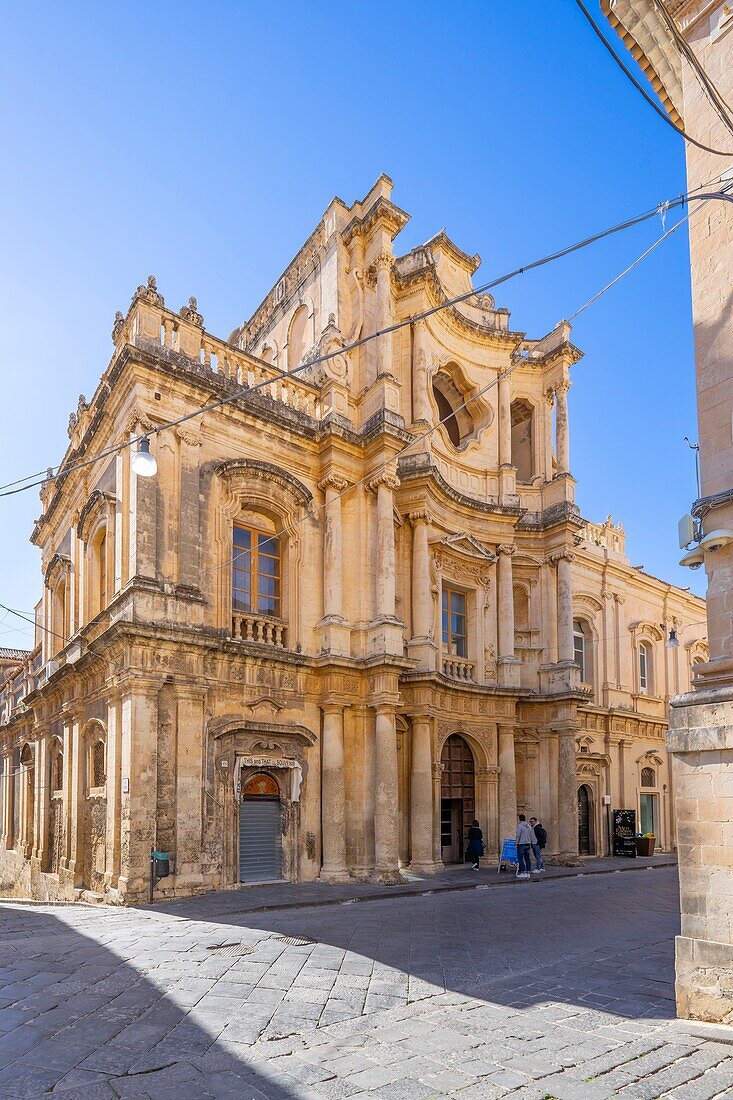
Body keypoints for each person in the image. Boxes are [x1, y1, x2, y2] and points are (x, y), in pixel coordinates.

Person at [515, 814, 534, 879]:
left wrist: (516, 843)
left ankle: (523, 872)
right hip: (528, 844)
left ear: (519, 819)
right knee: (527, 858)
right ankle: (528, 872)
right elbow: (531, 835)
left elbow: (518, 835)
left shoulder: (520, 826)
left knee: (520, 858)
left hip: (522, 844)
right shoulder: (528, 826)